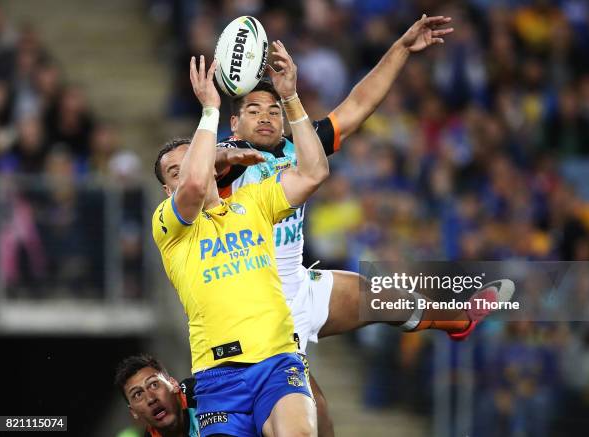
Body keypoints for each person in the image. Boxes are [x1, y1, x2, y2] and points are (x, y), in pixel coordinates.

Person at [206, 15, 513, 436]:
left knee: (380, 295)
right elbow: (198, 173)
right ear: (234, 123)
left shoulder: (298, 146)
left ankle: (457, 321)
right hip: (261, 310)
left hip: (299, 283)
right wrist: (216, 139)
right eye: (253, 110)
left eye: (274, 110)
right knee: (317, 415)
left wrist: (401, 49)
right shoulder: (224, 163)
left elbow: (356, 107)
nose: (265, 117)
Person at [151, 43, 345, 436]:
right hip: (218, 378)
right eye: (174, 171)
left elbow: (313, 173)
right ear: (166, 192)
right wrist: (210, 110)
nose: (189, 171)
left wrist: (290, 97)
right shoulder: (168, 228)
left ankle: (455, 316)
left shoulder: (252, 201)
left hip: (277, 362)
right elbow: (192, 185)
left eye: (192, 159)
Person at [114, 354, 198, 437]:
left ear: (174, 384)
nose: (150, 399)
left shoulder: (200, 391)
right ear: (133, 412)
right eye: (138, 394)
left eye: (154, 384)